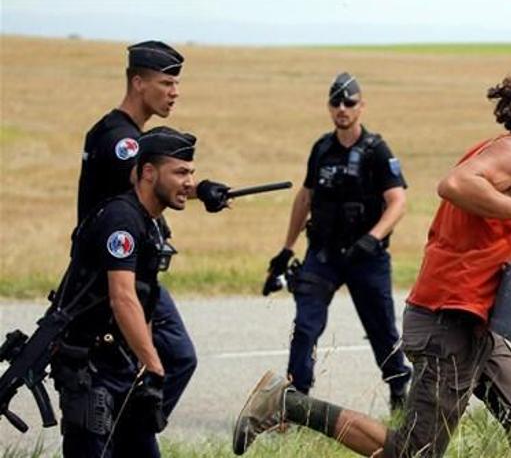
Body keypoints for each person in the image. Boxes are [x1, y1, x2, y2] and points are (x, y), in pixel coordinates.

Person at [234, 63, 511, 457]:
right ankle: (286, 404)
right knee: (415, 452)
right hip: (447, 319)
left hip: (475, 317)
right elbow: (454, 184)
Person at [75, 40, 229, 420]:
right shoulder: (121, 141)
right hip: (111, 275)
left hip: (127, 268)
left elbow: (152, 185)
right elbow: (149, 182)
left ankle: (131, 431)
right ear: (138, 83)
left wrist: (199, 190)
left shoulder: (119, 133)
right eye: (166, 83)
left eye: (177, 84)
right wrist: (198, 189)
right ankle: (131, 430)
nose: (174, 93)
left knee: (160, 362)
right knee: (174, 357)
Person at [262, 72, 411, 409]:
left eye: (349, 102)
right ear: (329, 107)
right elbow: (305, 198)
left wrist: (373, 238)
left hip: (366, 257)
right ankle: (296, 400)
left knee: (382, 330)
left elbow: (398, 200)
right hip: (323, 255)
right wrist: (286, 250)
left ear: (361, 107)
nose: (342, 108)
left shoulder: (376, 150)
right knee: (305, 327)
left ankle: (399, 389)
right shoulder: (322, 148)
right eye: (336, 102)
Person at [53, 127, 201, 457]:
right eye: (180, 172)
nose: (190, 183)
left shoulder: (150, 224)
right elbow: (122, 298)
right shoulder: (121, 220)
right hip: (90, 371)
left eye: (191, 173)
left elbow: (143, 299)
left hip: (121, 366)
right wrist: (154, 367)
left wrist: (140, 366)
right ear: (148, 173)